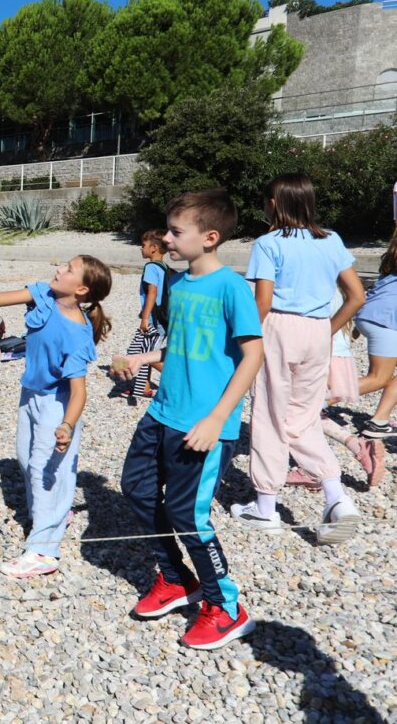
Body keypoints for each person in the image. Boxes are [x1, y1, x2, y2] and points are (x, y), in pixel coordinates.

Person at [113, 188, 264, 650]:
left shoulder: (233, 288)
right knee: (135, 489)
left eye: (177, 232)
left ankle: (226, 606)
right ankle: (178, 580)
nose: (167, 238)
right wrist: (144, 360)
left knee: (188, 515)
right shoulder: (178, 287)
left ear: (210, 237)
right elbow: (181, 347)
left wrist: (218, 419)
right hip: (162, 412)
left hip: (202, 424)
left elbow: (253, 356)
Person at [0, 256, 112, 577]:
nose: (59, 269)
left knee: (45, 470)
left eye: (68, 269)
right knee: (25, 459)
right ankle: (51, 514)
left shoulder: (77, 334)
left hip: (57, 405)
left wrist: (67, 425)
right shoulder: (44, 294)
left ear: (80, 289)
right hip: (30, 394)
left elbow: (79, 392)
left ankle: (44, 551)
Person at [228, 174, 365, 543]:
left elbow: (263, 301)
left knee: (271, 414)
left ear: (274, 203)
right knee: (304, 415)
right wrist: (328, 329)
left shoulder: (269, 243)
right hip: (318, 330)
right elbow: (356, 296)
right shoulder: (331, 240)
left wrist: (239, 341)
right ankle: (335, 495)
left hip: (279, 328)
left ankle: (266, 505)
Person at [292, 289, 384, 489]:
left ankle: (313, 468)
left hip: (322, 355)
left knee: (296, 411)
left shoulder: (317, 286)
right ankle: (356, 446)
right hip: (339, 355)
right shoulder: (340, 286)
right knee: (307, 412)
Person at [353, 227, 397, 440]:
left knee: (381, 375)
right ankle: (316, 402)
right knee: (378, 378)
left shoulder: (391, 260)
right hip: (385, 320)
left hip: (372, 316)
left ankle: (379, 421)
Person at [119, 230, 170, 398]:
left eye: (143, 245)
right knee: (145, 349)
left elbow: (152, 292)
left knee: (149, 355)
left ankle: (180, 380)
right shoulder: (165, 268)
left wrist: (145, 317)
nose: (141, 249)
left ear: (154, 248)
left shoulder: (150, 267)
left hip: (154, 319)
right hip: (163, 318)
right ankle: (144, 387)